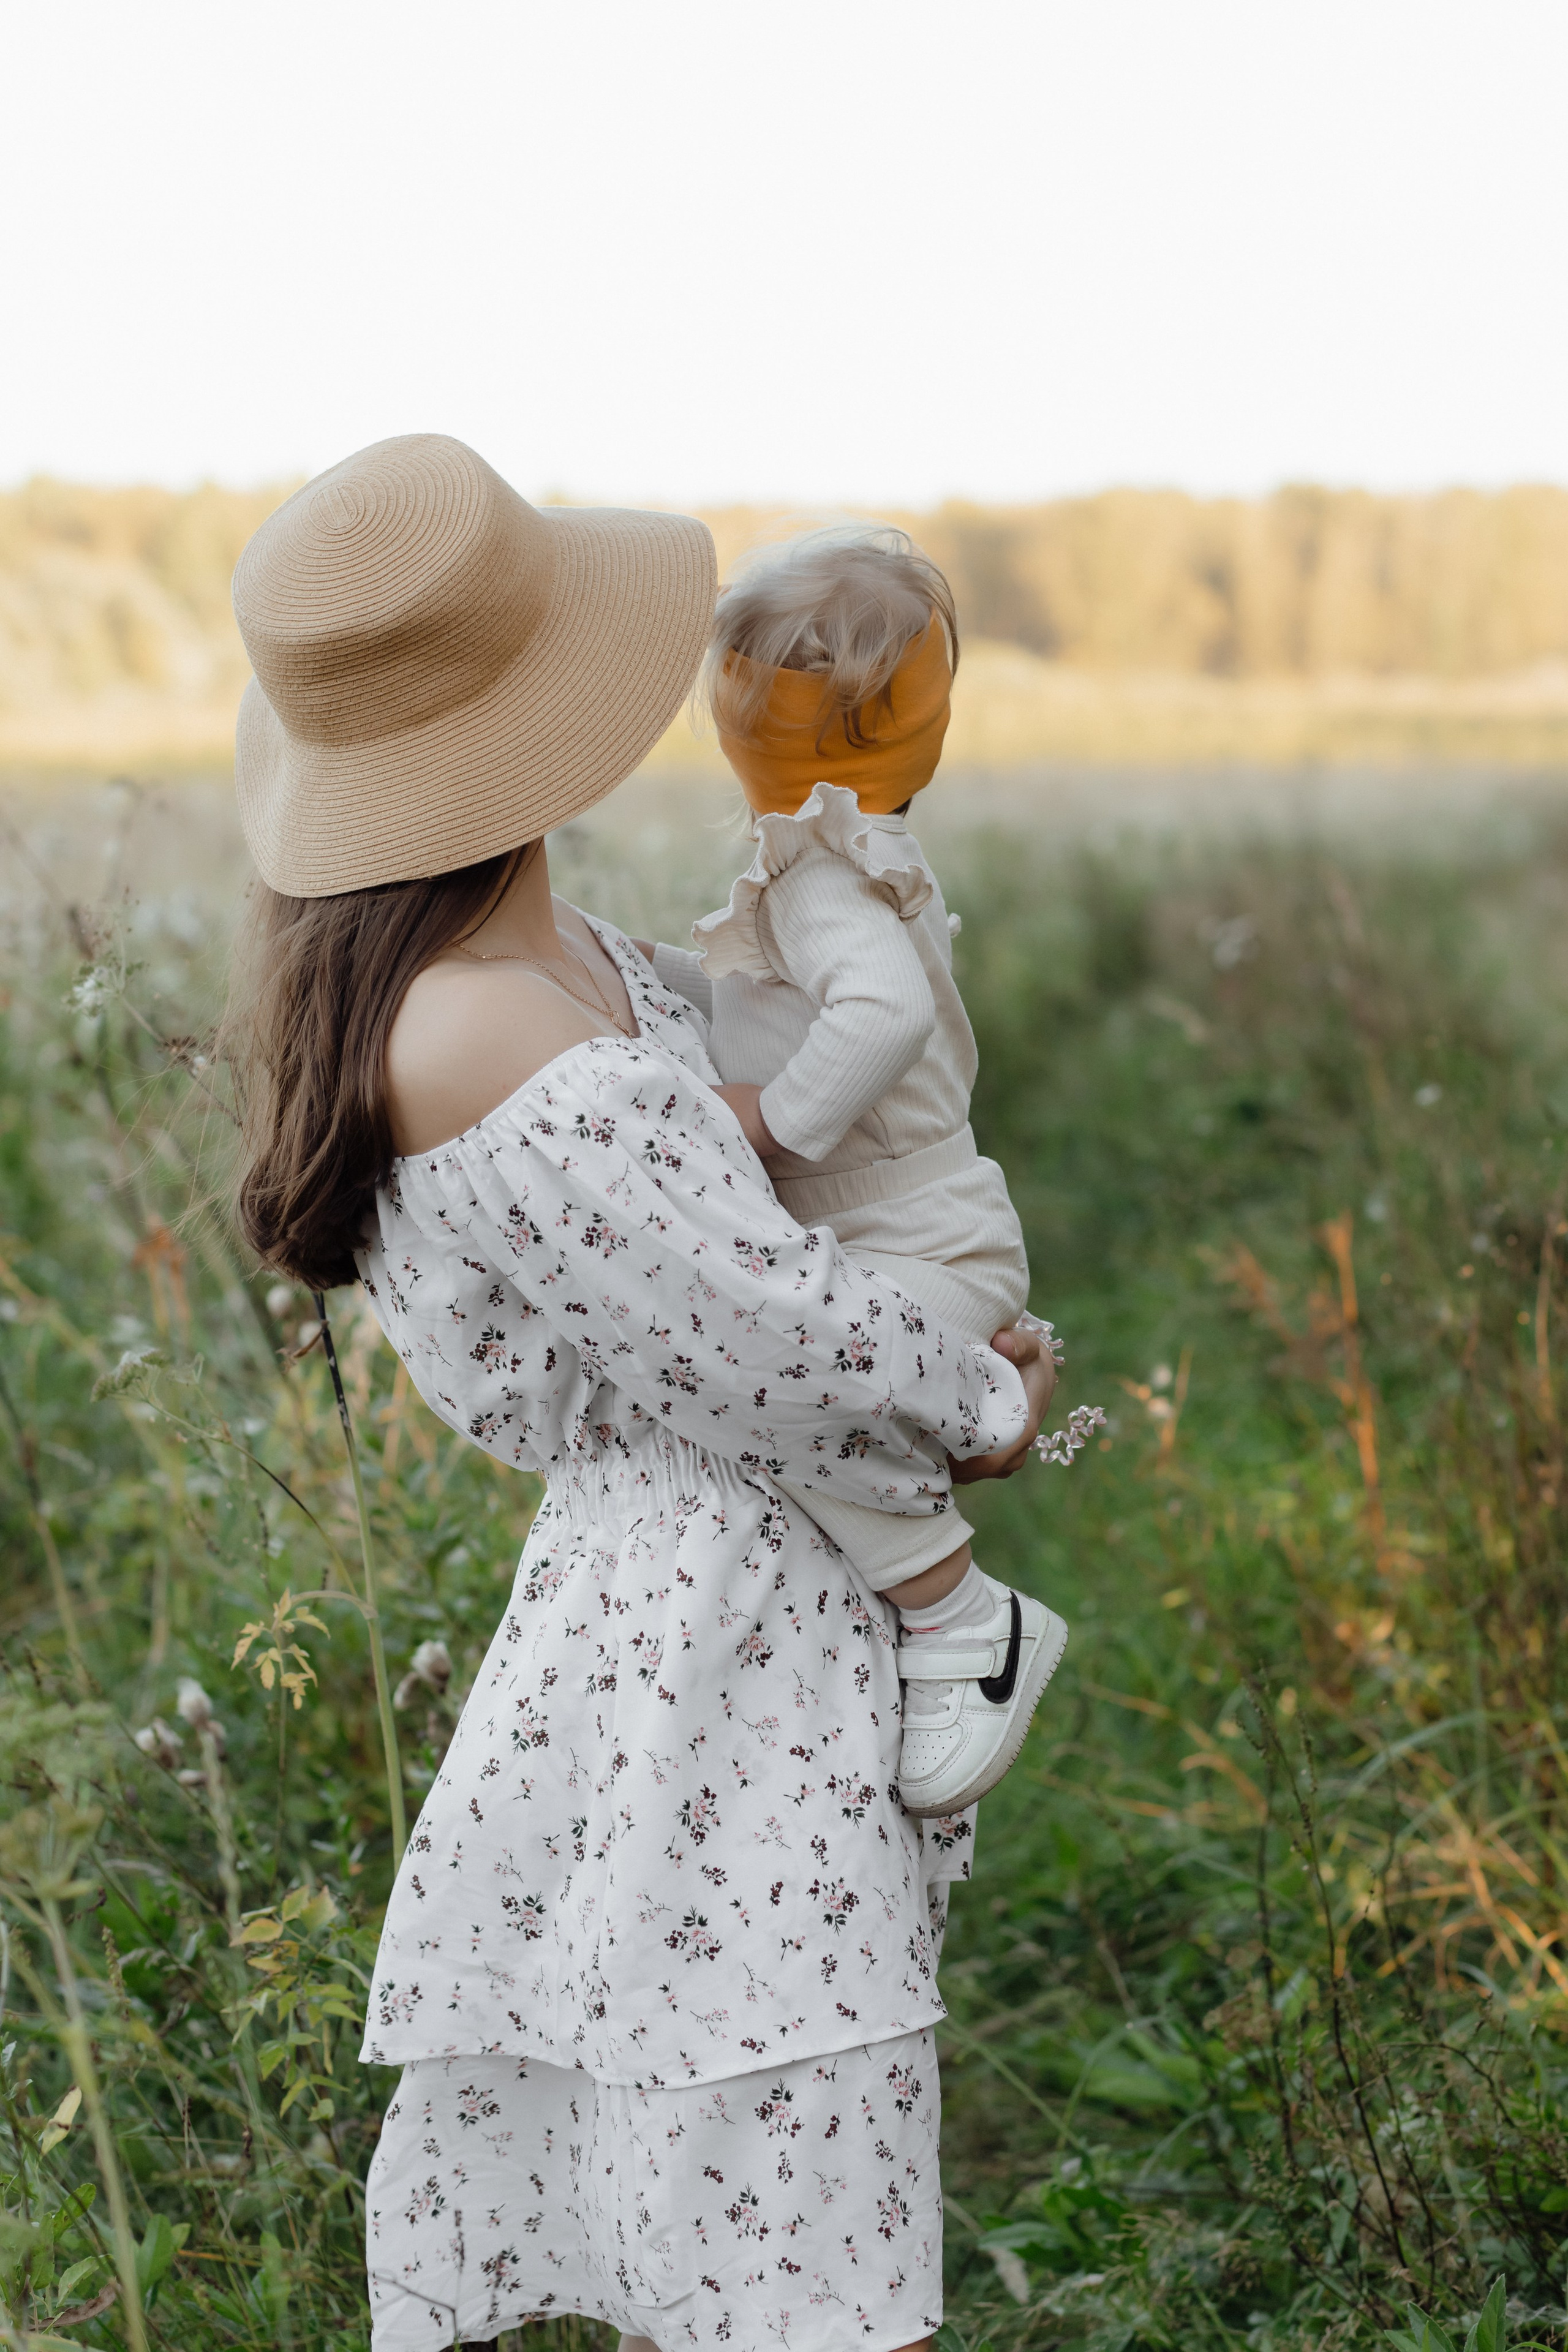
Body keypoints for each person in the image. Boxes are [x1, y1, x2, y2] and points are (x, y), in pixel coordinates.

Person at [225, 434, 1057, 2352]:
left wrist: (926, 1342)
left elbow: (763, 1260)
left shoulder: (532, 964)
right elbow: (771, 1335)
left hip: (683, 1617)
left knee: (730, 2169)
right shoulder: (499, 1036)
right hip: (707, 1643)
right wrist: (973, 1403)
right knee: (795, 2203)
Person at [639, 524, 1069, 1822]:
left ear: (740, 714)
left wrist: (766, 1127)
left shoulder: (823, 877)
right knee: (790, 1378)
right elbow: (771, 1005)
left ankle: (956, 1618)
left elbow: (871, 1018)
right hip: (916, 1228)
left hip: (913, 1240)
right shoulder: (843, 855)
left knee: (790, 1383)